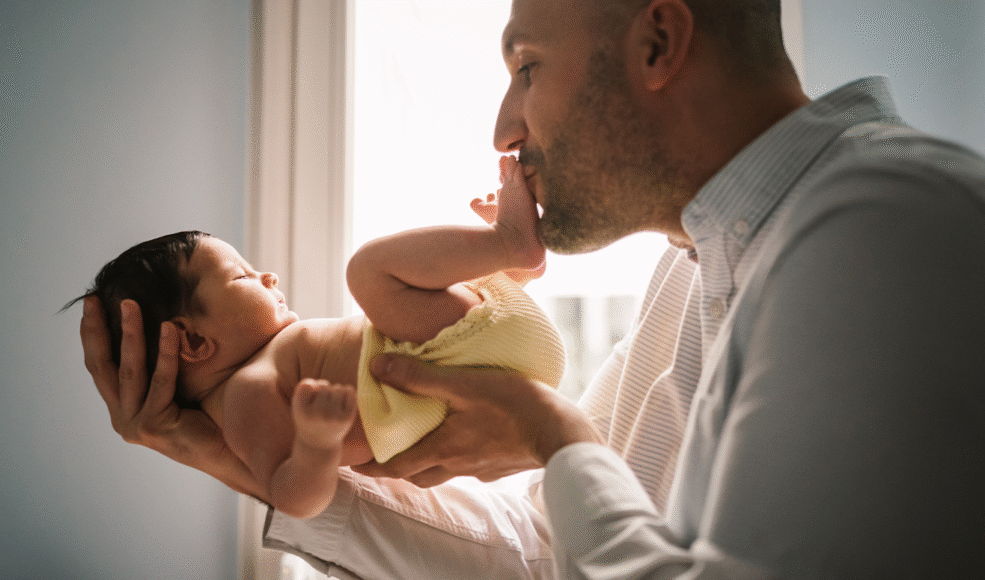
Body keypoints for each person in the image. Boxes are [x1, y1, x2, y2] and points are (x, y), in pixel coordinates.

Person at [81, 0, 985, 577]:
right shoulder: (698, 263)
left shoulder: (885, 227)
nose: (505, 125)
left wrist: (556, 435)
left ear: (659, 42)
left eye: (526, 68)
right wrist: (230, 457)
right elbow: (549, 552)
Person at [73, 157, 566, 518]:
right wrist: (315, 442)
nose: (267, 275)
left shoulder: (272, 364)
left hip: (473, 353)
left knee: (387, 292)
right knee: (366, 272)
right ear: (195, 343)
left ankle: (505, 260)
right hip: (459, 359)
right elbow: (292, 496)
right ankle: (507, 245)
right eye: (243, 277)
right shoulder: (246, 393)